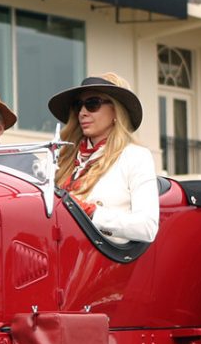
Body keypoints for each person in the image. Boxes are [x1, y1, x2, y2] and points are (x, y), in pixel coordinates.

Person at [47, 72, 158, 244]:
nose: (82, 112)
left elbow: (147, 227)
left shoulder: (135, 156)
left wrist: (91, 212)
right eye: (78, 106)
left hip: (101, 263)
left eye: (92, 104)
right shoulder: (62, 158)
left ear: (116, 110)